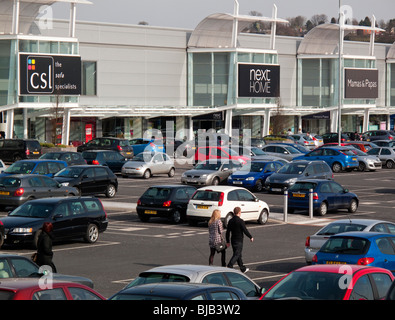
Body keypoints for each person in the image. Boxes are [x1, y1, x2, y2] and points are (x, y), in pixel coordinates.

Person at [226, 207, 253, 273]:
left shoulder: (230, 221)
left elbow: (227, 232)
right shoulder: (241, 221)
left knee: (238, 254)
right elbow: (245, 230)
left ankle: (242, 268)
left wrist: (228, 241)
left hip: (233, 240)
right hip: (239, 240)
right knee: (237, 254)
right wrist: (250, 237)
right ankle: (229, 265)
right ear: (239, 212)